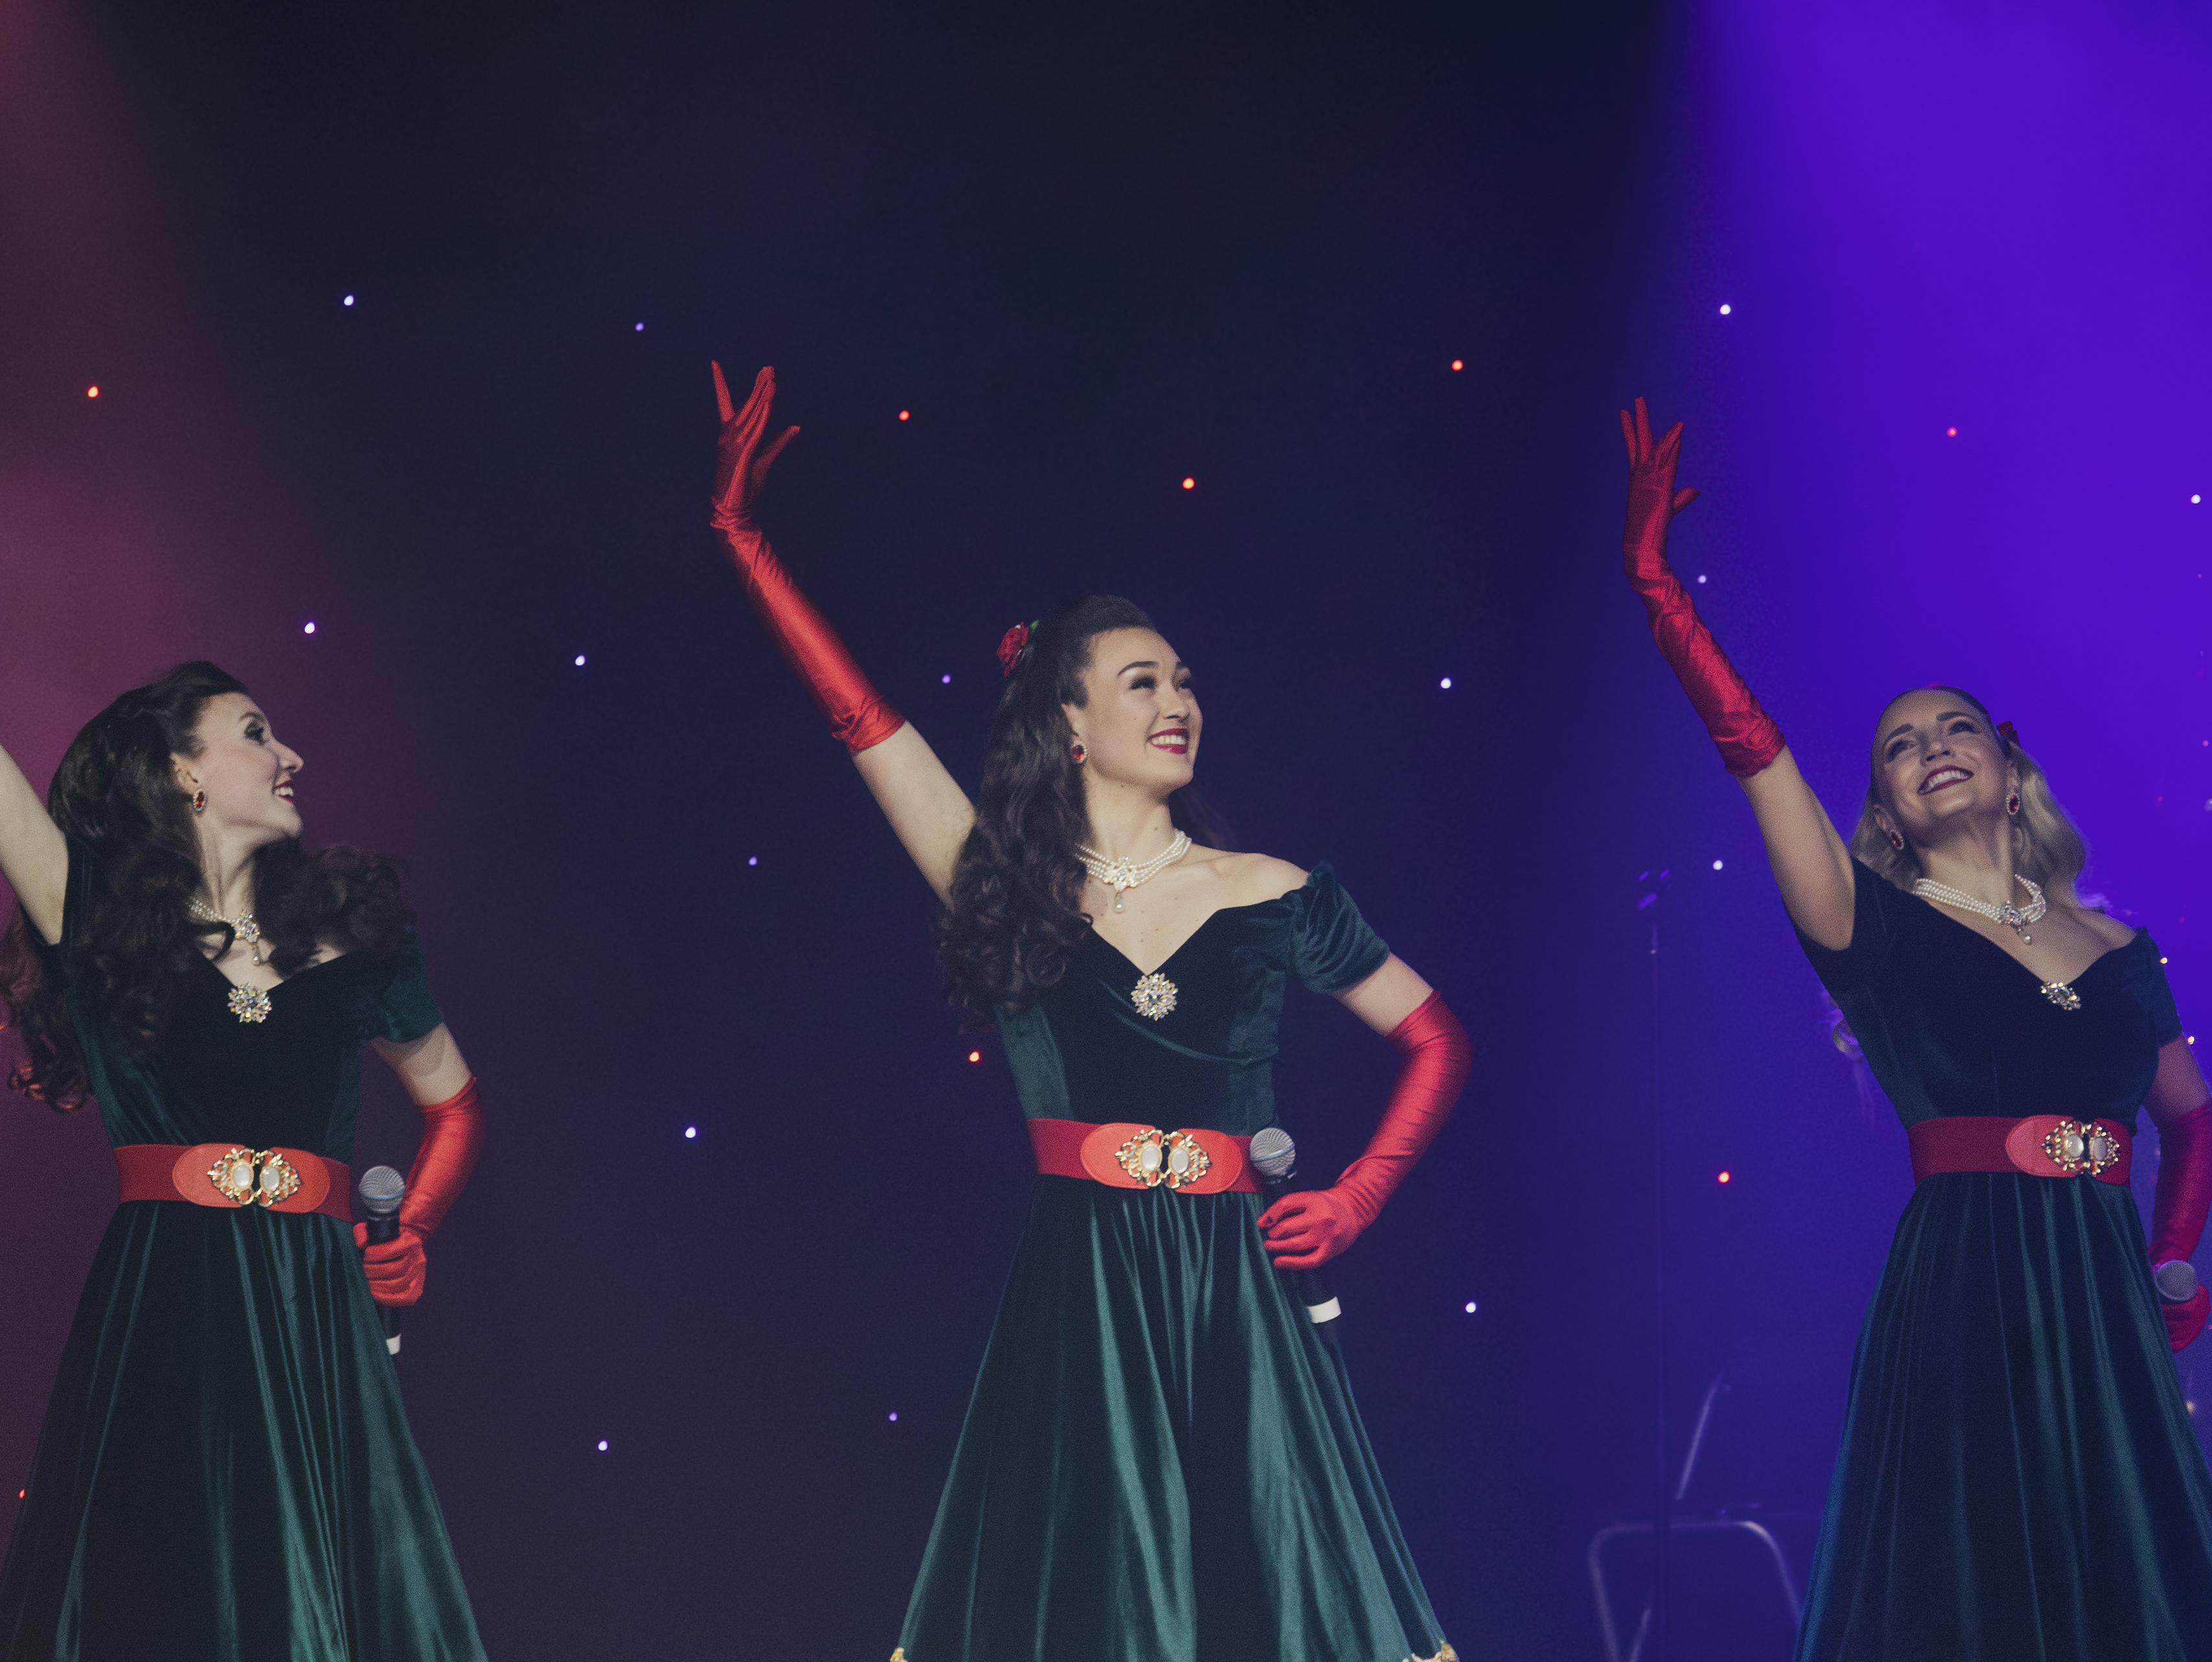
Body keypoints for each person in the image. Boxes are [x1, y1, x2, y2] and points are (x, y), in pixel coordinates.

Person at [708, 366, 1467, 1662]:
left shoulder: (1271, 889)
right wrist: (746, 545)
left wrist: (1358, 1198)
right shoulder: (1006, 886)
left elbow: (1437, 1036)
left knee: (1268, 1599)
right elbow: (863, 722)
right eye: (1141, 682)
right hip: (1088, 1292)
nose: (1179, 702)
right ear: (1067, 718)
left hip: (1241, 1289)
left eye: (1185, 681)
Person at [0, 408, 490, 1661]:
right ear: (183, 774)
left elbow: (456, 1103)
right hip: (174, 1303)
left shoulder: (358, 937)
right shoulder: (94, 919)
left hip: (316, 1312)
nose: (292, 753)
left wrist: (413, 1232)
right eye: (257, 733)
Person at [1617, 397, 2212, 1657]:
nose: (1931, 746)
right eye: (1899, 746)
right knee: (1970, 1589)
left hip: (2104, 1291)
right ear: (1885, 807)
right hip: (1964, 1284)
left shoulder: (2124, 953)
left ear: (2009, 767)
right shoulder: (1869, 924)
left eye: (1955, 728)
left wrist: (2171, 1265)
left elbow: (2193, 1120)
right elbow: (1756, 754)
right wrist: (1663, 593)